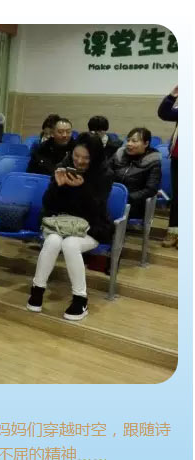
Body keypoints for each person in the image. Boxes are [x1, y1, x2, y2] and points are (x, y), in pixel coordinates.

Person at [26, 133, 113, 321]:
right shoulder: (63, 167)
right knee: (52, 241)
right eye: (76, 156)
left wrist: (81, 188)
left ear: (95, 157)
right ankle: (37, 290)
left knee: (70, 244)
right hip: (62, 223)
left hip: (91, 226)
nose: (79, 161)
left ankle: (80, 299)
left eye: (85, 158)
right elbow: (48, 204)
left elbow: (97, 209)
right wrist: (57, 186)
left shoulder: (104, 174)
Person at [110, 128, 162, 220]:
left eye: (134, 141)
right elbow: (105, 173)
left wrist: (125, 197)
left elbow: (150, 190)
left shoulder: (153, 162)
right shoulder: (119, 155)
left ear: (146, 144)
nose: (129, 144)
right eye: (128, 140)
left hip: (134, 204)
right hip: (111, 198)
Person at [158, 85, 178, 248]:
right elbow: (164, 114)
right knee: (178, 197)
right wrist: (172, 96)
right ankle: (174, 231)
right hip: (179, 157)